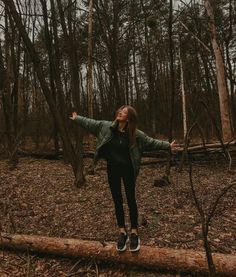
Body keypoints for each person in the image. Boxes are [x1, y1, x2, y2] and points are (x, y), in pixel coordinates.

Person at [70, 105, 176, 252]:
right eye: (120, 111)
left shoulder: (136, 134)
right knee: (117, 200)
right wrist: (77, 119)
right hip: (112, 170)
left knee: (131, 200)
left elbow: (151, 142)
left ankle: (134, 232)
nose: (120, 113)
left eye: (124, 112)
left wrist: (167, 145)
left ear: (129, 117)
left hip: (129, 171)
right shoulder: (106, 127)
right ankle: (122, 231)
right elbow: (91, 123)